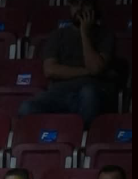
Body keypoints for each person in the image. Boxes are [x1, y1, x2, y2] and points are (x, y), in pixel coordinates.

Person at [18, 0, 118, 128]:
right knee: (26, 108)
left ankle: (83, 140)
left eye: (85, 4)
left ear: (94, 8)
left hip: (91, 92)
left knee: (88, 95)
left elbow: (95, 67)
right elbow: (50, 70)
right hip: (60, 93)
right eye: (75, 4)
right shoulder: (57, 35)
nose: (80, 8)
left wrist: (84, 33)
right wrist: (87, 71)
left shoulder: (105, 35)